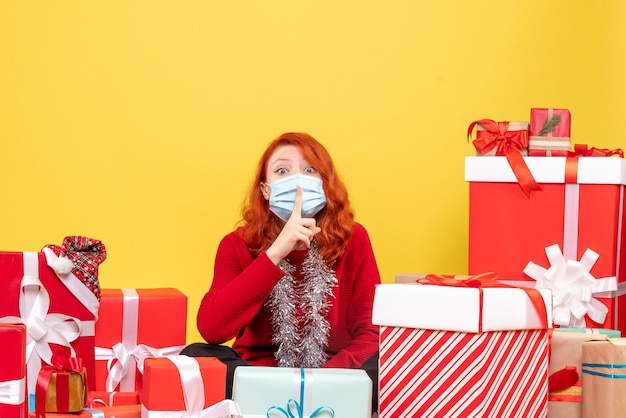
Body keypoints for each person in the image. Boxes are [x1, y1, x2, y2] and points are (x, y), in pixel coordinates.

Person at [182, 132, 381, 412]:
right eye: (282, 170)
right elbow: (211, 329)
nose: (297, 180)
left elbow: (371, 333)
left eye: (310, 169)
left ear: (325, 184)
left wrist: (320, 381)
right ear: (265, 190)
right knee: (194, 358)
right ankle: (286, 402)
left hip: (335, 376)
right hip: (257, 376)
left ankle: (295, 403)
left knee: (389, 361)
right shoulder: (236, 244)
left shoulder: (354, 239)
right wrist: (275, 253)